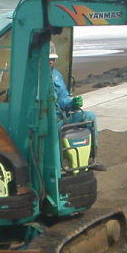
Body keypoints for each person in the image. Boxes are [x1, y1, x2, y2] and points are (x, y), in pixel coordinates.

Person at [49, 42, 105, 170]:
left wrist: (72, 103)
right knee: (53, 128)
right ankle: (57, 165)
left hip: (61, 115)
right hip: (47, 117)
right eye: (48, 58)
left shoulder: (57, 76)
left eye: (52, 59)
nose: (50, 61)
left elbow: (63, 98)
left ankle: (92, 158)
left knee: (90, 117)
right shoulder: (35, 78)